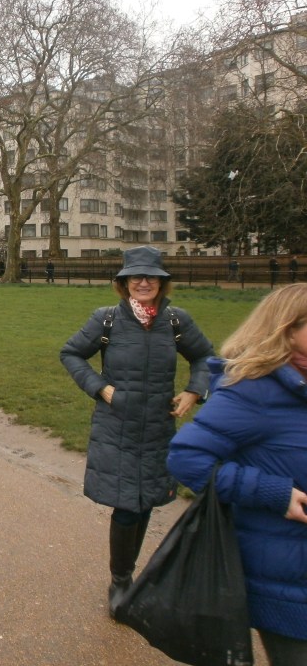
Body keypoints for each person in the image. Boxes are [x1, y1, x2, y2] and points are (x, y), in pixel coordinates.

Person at [60, 245, 214, 618]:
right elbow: (71, 353)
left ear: (162, 282)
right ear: (124, 282)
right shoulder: (107, 320)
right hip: (118, 426)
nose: (143, 283)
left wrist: (194, 391)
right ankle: (121, 580)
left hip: (158, 426)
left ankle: (128, 573)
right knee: (127, 504)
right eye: (136, 277)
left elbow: (205, 357)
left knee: (145, 502)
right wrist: (100, 388)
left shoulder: (176, 321)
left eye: (151, 277)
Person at [167, 284, 307, 664]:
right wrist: (274, 493)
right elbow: (186, 457)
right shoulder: (253, 391)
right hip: (287, 576)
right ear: (286, 330)